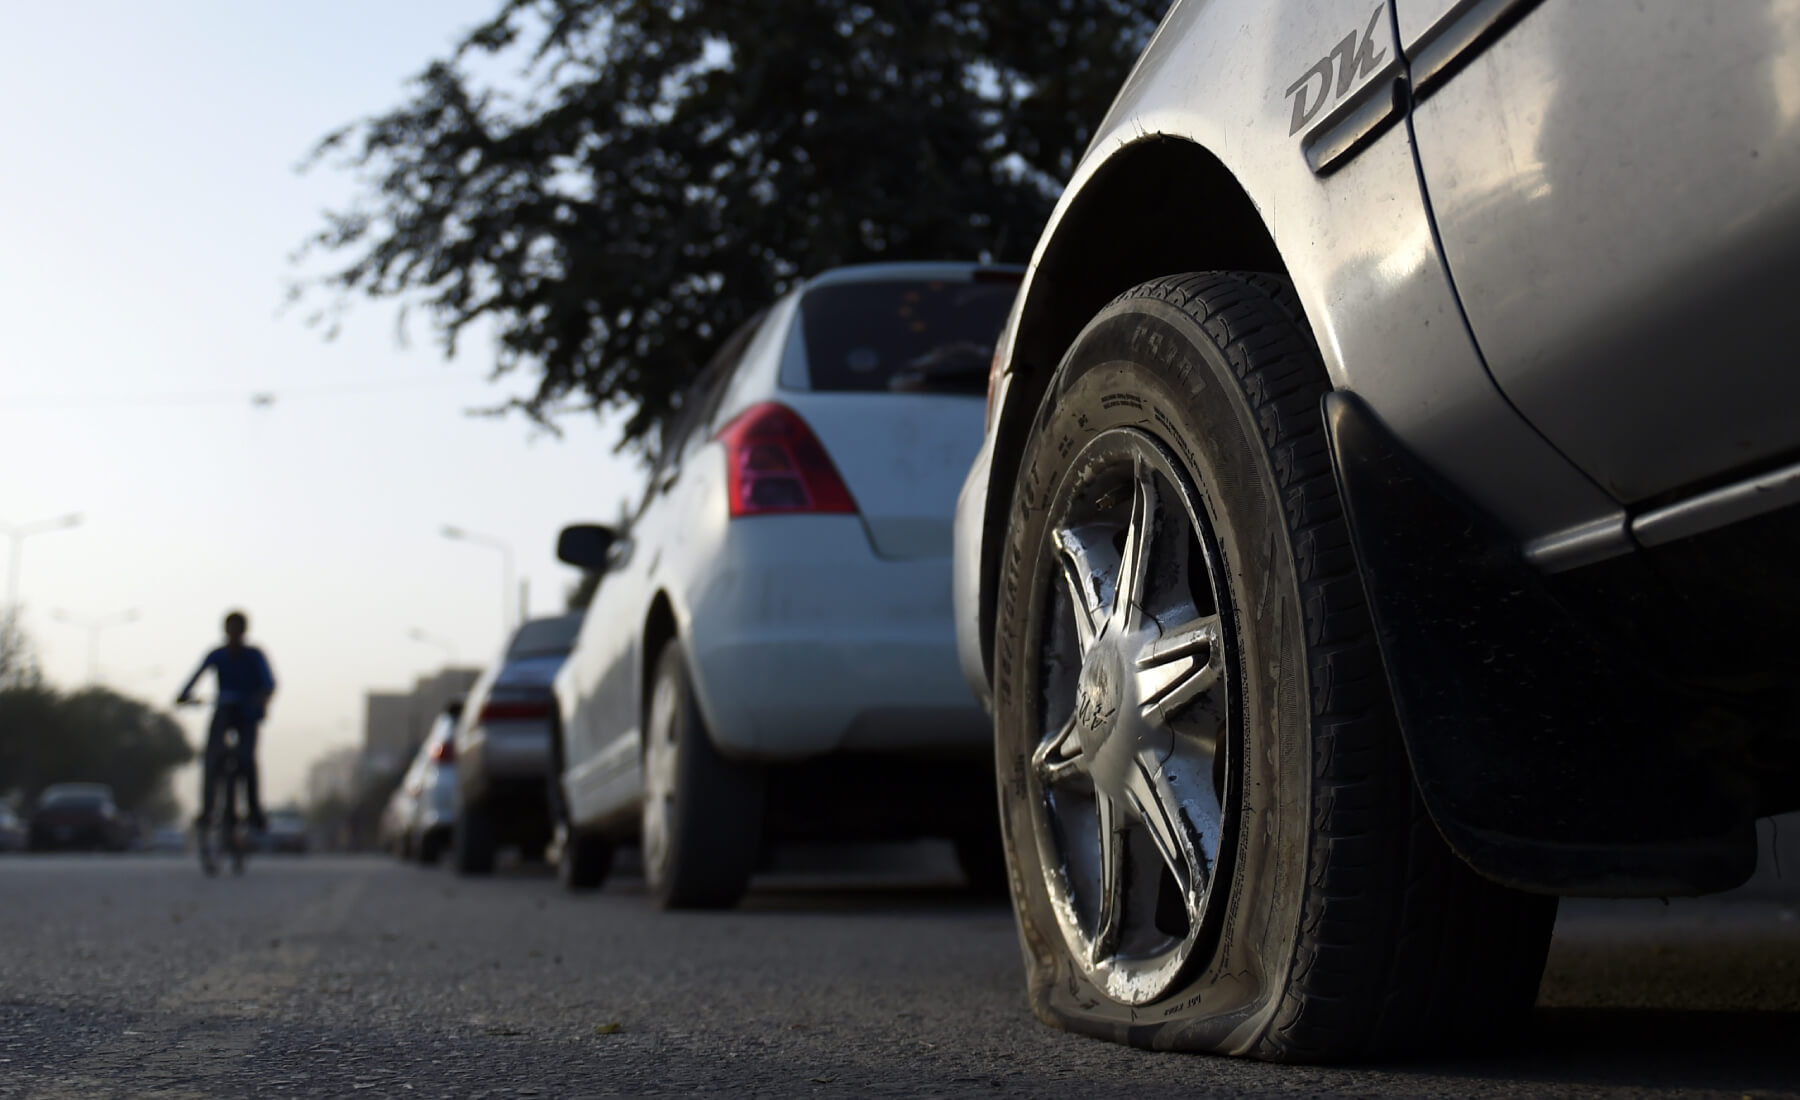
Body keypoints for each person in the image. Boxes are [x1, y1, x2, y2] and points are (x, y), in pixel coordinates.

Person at [177, 610, 276, 832]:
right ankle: (207, 810)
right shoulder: (217, 655)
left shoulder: (255, 655)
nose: (233, 633)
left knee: (247, 758)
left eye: (237, 629)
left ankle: (254, 811)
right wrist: (184, 694)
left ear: (244, 631)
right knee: (212, 758)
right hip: (223, 711)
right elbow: (196, 676)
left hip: (248, 714)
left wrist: (262, 698)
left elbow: (269, 683)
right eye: (230, 628)